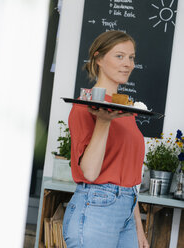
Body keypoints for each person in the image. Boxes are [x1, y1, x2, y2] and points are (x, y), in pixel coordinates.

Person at [62, 30, 149, 248]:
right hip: (96, 210)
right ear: (98, 58)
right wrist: (103, 121)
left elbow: (127, 178)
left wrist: (138, 228)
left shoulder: (124, 109)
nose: (128, 64)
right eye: (119, 56)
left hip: (127, 211)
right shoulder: (85, 106)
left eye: (131, 57)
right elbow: (90, 173)